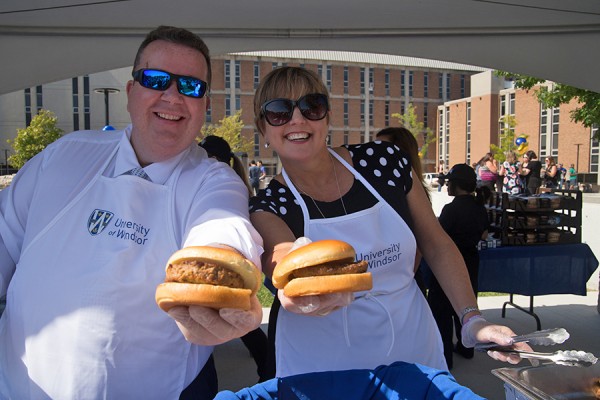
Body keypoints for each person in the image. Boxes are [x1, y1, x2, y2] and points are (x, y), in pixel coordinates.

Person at [0, 26, 264, 399]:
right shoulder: (66, 154)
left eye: (190, 86)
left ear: (205, 105)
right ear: (130, 92)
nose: (172, 96)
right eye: (156, 80)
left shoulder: (212, 179)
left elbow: (224, 229)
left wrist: (221, 289)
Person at [248, 66, 529, 378]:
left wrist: (471, 320)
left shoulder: (384, 161)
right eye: (278, 112)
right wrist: (298, 290)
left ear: (327, 116)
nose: (297, 120)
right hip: (323, 367)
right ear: (263, 129)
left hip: (411, 345)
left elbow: (435, 244)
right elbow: (284, 260)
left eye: (311, 106)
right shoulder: (267, 205)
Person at [199, 135, 272, 383]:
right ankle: (267, 368)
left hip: (234, 264)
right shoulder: (227, 178)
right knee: (240, 322)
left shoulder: (222, 180)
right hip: (238, 263)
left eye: (203, 155)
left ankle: (268, 371)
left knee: (241, 321)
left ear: (214, 158)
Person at [427, 164, 490, 369]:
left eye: (449, 182)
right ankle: (467, 348)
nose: (446, 186)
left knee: (441, 312)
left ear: (457, 185)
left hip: (449, 264)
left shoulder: (451, 209)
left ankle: (446, 356)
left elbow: (439, 237)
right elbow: (483, 234)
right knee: (464, 307)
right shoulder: (479, 206)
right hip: (471, 261)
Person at [375, 127, 429, 294]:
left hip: (404, 284)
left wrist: (401, 283)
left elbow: (421, 244)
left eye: (382, 148)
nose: (372, 152)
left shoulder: (413, 193)